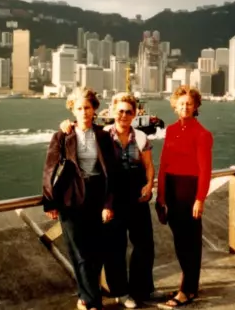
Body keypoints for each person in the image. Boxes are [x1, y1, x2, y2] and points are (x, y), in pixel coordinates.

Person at [59, 93, 163, 308]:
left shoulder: (141, 137)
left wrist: (149, 185)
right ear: (113, 111)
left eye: (129, 111)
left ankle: (141, 288)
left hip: (137, 197)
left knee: (144, 245)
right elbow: (82, 134)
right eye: (121, 111)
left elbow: (149, 166)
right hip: (113, 197)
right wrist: (66, 125)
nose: (124, 115)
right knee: (115, 248)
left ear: (135, 114)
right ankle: (121, 292)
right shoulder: (104, 135)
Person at [42, 88, 119, 310]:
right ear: (72, 110)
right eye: (79, 108)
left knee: (96, 253)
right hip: (70, 198)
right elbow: (49, 169)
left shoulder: (104, 136)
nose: (84, 111)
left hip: (97, 197)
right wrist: (49, 201)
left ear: (94, 109)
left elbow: (111, 173)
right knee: (79, 252)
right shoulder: (62, 136)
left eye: (87, 107)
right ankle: (93, 302)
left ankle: (84, 296)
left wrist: (108, 203)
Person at [156, 85, 213, 308]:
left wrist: (200, 198)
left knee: (190, 243)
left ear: (196, 106)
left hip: (189, 191)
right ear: (175, 106)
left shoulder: (202, 134)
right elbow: (163, 165)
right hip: (171, 190)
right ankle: (188, 285)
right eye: (181, 103)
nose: (185, 107)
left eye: (189, 103)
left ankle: (187, 290)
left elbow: (205, 170)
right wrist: (161, 196)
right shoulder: (170, 130)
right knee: (180, 242)